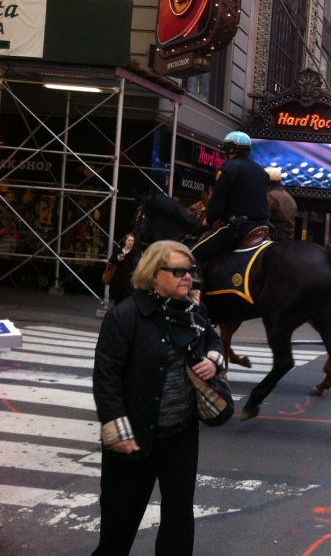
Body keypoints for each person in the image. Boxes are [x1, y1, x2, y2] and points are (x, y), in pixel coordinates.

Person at [92, 240, 226, 556]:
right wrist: (116, 429)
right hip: (135, 437)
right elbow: (106, 376)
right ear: (154, 275)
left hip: (180, 435)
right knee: (119, 528)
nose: (187, 277)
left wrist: (213, 358)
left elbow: (214, 340)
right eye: (178, 271)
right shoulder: (125, 316)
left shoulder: (192, 310)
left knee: (179, 520)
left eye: (190, 270)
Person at [191, 132, 270, 283]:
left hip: (238, 228)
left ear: (232, 148)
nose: (226, 152)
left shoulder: (228, 168)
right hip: (263, 226)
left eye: (227, 148)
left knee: (194, 254)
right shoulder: (261, 170)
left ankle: (194, 301)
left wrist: (211, 218)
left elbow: (217, 202)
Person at [265, 167, 297, 240]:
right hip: (287, 240)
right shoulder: (290, 198)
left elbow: (262, 219)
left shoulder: (270, 196)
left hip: (272, 240)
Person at [107, 233, 139, 306]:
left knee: (127, 299)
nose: (131, 242)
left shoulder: (135, 252)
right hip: (119, 278)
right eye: (129, 240)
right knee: (118, 299)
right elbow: (111, 260)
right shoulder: (118, 250)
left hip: (129, 278)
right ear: (125, 241)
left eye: (132, 241)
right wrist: (118, 259)